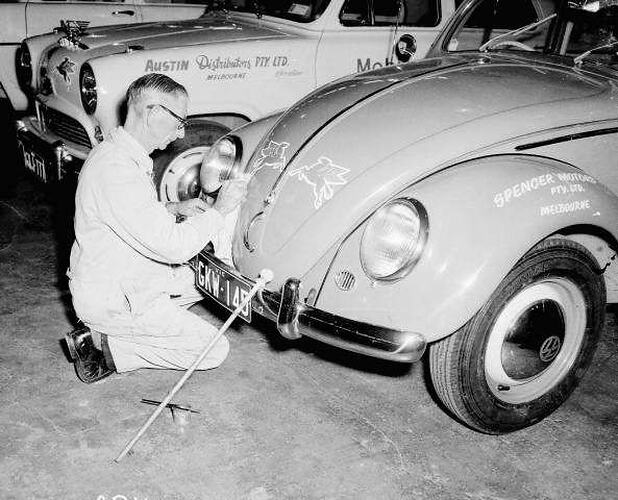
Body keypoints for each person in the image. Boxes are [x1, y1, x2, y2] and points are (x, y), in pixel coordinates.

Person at [64, 73, 247, 384]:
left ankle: (142, 326)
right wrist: (219, 211)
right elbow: (173, 246)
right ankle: (105, 347)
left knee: (203, 278)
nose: (180, 133)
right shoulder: (117, 170)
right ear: (153, 113)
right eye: (179, 122)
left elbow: (124, 214)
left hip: (123, 278)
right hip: (115, 298)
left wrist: (173, 209)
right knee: (212, 349)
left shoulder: (117, 153)